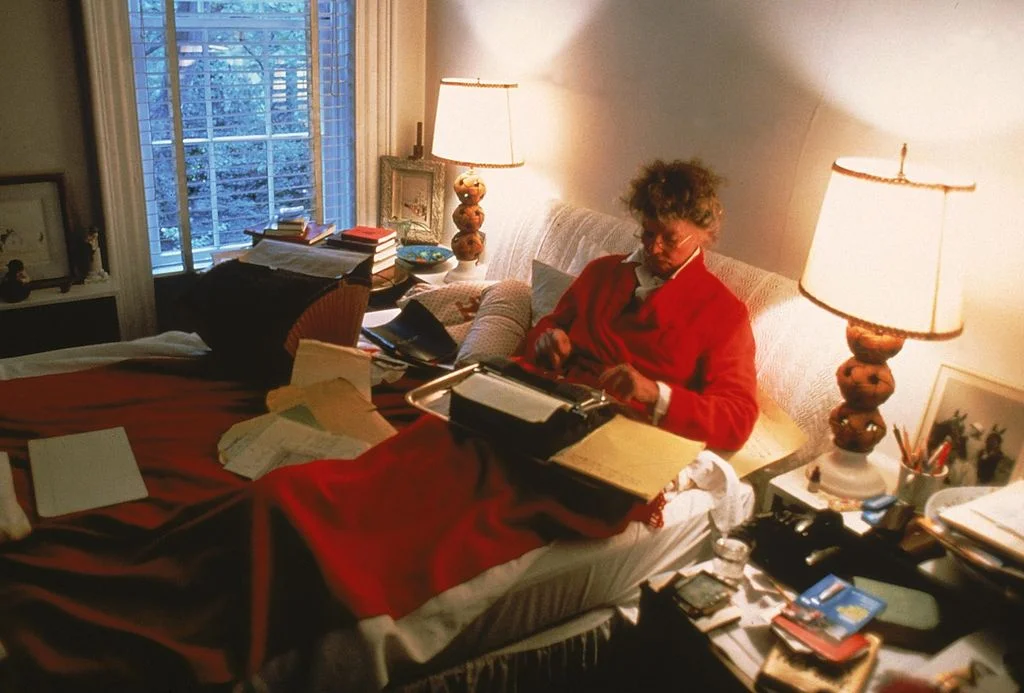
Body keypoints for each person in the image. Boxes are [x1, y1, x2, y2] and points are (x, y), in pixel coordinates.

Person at [519, 158, 759, 451]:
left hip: (624, 438)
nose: (653, 247)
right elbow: (548, 329)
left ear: (704, 235)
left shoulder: (724, 313)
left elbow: (738, 418)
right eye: (647, 232)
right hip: (552, 409)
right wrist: (550, 344)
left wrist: (657, 394)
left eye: (670, 238)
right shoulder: (601, 272)